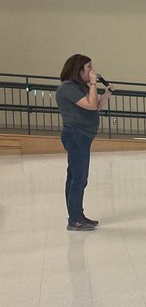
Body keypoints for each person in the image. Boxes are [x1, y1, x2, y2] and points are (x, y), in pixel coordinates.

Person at [56, 53, 111, 231]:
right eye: (88, 68)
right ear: (78, 69)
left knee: (76, 177)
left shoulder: (81, 87)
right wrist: (94, 84)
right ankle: (75, 220)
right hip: (76, 136)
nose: (92, 71)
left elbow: (95, 106)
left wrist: (106, 94)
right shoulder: (67, 88)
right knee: (78, 178)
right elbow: (89, 105)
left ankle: (77, 215)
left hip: (83, 136)